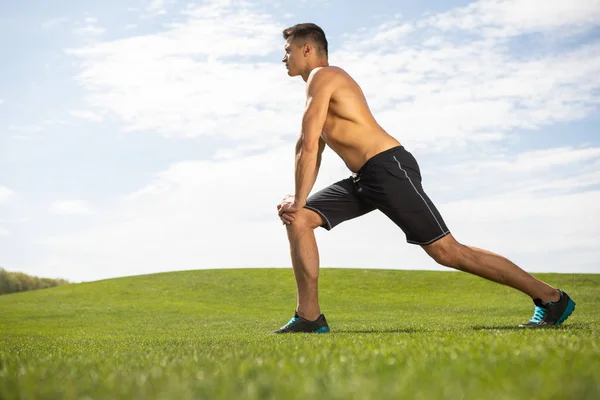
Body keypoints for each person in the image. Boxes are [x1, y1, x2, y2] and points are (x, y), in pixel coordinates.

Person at [273, 23, 576, 334]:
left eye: (287, 50)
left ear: (307, 49)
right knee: (300, 219)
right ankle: (309, 317)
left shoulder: (325, 76)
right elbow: (311, 148)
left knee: (447, 251)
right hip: (364, 177)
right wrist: (300, 202)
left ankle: (552, 298)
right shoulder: (319, 88)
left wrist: (298, 197)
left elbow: (307, 145)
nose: (284, 57)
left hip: (388, 169)